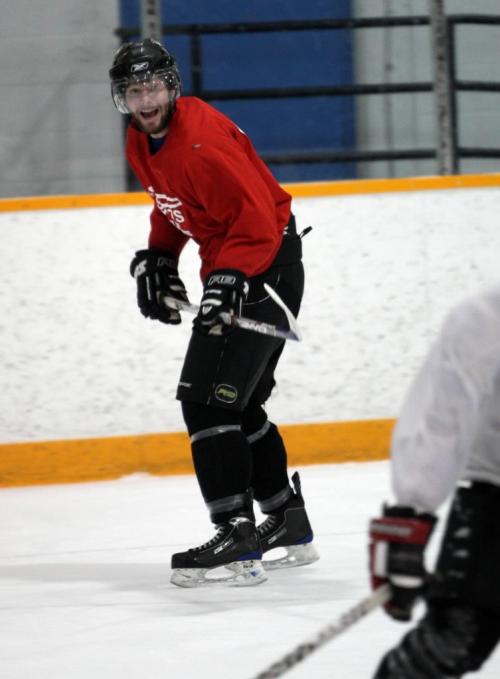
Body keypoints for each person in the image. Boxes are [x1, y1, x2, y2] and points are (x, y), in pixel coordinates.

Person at [109, 38, 318, 588]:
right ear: (124, 98)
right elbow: (172, 206)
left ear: (170, 86)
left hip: (264, 267)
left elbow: (258, 218)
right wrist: (159, 255)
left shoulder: (201, 140)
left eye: (152, 85)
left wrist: (232, 278)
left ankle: (235, 531)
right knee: (240, 404)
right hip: (245, 268)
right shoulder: (141, 140)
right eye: (134, 89)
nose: (145, 98)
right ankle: (284, 518)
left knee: (205, 403)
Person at [368, 283, 500, 677]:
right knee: (449, 643)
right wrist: (411, 508)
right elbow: (445, 411)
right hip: (495, 496)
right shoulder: (487, 314)